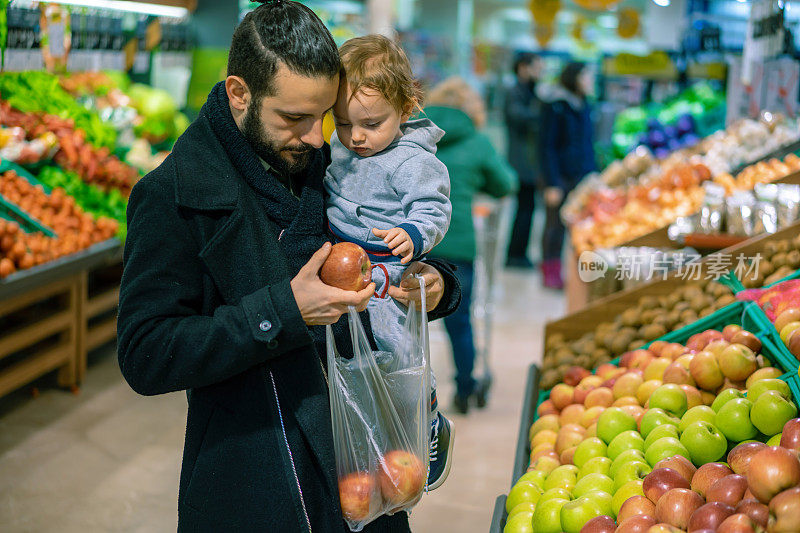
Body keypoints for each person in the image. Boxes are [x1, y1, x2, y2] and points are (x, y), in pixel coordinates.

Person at [116, 1, 461, 531]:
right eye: (294, 118)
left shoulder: (322, 152)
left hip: (365, 462)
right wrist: (283, 310)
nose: (318, 137)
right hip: (259, 476)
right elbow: (146, 354)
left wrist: (433, 280)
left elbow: (385, 222)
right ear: (239, 94)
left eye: (324, 116)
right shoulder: (172, 197)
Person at [324, 34, 454, 490]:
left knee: (400, 358)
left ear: (406, 106)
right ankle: (378, 443)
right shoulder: (339, 152)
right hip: (345, 275)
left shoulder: (412, 161)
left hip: (388, 278)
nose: (356, 136)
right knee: (360, 372)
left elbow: (434, 208)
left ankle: (429, 417)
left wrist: (414, 234)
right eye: (342, 123)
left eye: (371, 123)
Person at [424, 78, 518, 414]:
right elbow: (505, 183)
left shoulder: (413, 135)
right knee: (459, 320)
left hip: (412, 241)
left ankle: (409, 392)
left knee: (406, 322)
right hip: (457, 243)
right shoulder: (478, 142)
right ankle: (465, 389)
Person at [539, 61, 597, 289]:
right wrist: (552, 183)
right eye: (586, 76)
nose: (590, 81)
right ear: (575, 78)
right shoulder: (556, 105)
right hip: (559, 177)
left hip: (581, 177)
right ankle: (549, 270)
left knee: (578, 226)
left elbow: (587, 143)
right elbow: (546, 146)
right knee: (554, 226)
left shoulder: (584, 105)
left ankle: (571, 272)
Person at [505, 52, 543, 269]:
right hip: (522, 164)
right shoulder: (514, 93)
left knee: (527, 209)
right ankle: (515, 254)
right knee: (524, 210)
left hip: (530, 163)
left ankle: (520, 252)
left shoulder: (531, 92)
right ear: (523, 68)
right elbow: (518, 116)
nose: (539, 73)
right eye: (536, 67)